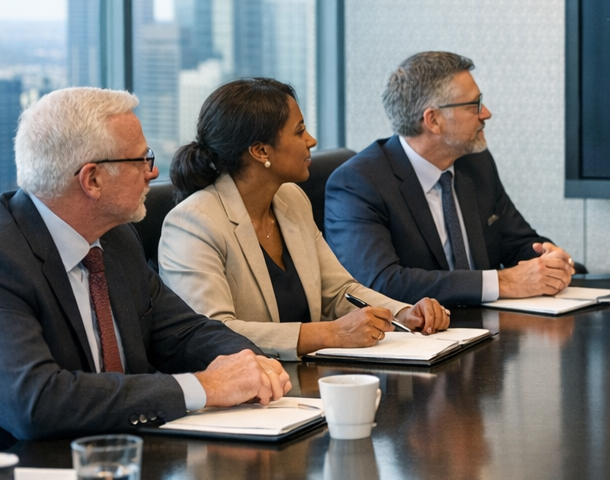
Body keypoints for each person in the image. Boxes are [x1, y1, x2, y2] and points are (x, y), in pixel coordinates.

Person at [0, 88, 291, 452]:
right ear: (92, 179)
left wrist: (251, 364)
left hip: (122, 461)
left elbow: (185, 333)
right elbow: (36, 403)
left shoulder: (115, 239)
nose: (153, 172)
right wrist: (204, 386)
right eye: (141, 159)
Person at [159, 78, 450, 361]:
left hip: (306, 381)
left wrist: (402, 313)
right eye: (299, 132)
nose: (312, 140)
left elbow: (340, 292)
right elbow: (212, 334)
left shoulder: (291, 199)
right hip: (246, 394)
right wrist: (329, 334)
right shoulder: (192, 224)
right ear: (261, 151)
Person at [325, 51, 575, 307]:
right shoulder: (358, 183)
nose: (486, 113)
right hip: (417, 339)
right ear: (433, 120)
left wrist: (547, 259)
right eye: (474, 105)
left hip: (487, 329)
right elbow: (380, 284)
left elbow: (515, 241)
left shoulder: (476, 162)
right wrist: (503, 282)